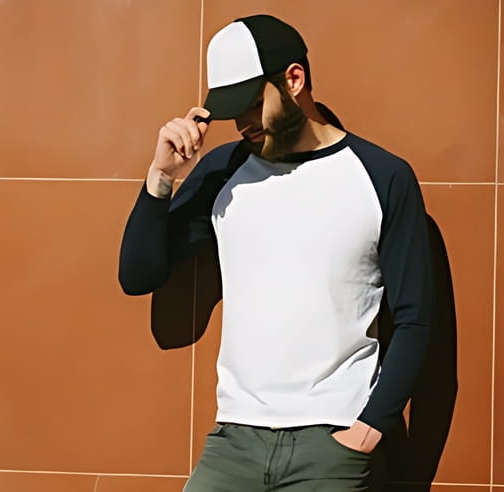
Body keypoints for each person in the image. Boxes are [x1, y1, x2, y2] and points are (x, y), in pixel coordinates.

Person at [118, 14, 433, 491]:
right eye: (231, 110)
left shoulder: (381, 176)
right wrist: (162, 177)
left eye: (251, 104)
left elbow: (416, 318)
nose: (242, 123)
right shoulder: (223, 172)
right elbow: (137, 275)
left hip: (332, 445)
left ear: (294, 80)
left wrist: (368, 430)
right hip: (234, 442)